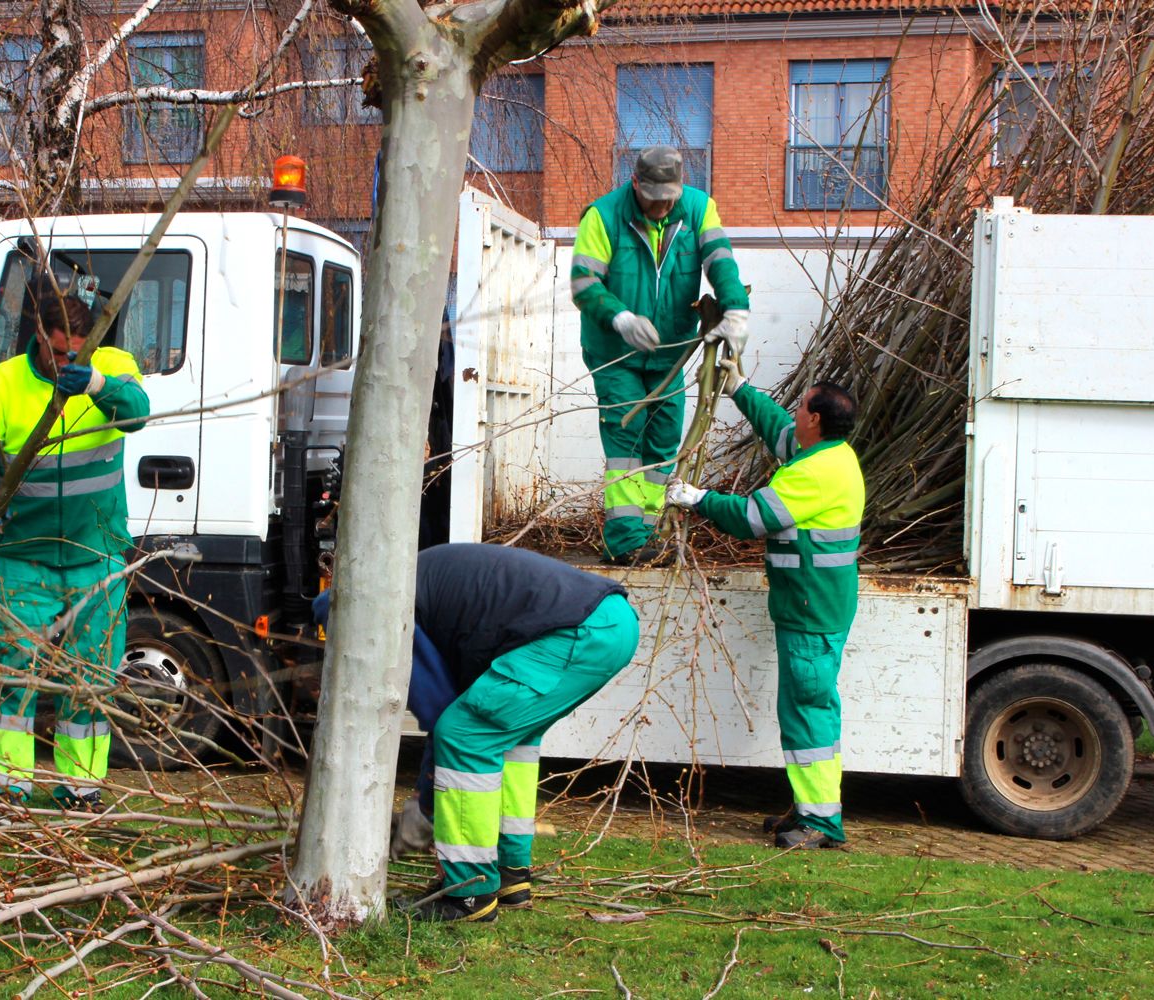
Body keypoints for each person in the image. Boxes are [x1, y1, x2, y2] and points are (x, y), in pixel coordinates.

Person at [332, 544, 640, 922]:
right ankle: (510, 876)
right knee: (509, 740)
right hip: (610, 622)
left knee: (465, 735)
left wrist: (422, 814)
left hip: (577, 631)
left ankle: (469, 894)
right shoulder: (417, 577)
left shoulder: (381, 607)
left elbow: (440, 710)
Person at [0, 282, 150, 811]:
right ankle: (8, 788)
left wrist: (96, 381)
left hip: (97, 555)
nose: (67, 361)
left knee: (90, 681)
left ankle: (81, 790)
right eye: (59, 351)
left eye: (76, 352)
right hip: (21, 557)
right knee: (14, 676)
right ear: (40, 335)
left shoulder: (111, 365)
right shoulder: (2, 385)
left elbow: (136, 412)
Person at [665, 365, 864, 849]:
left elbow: (753, 518)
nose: (795, 413)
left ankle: (820, 822)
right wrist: (738, 389)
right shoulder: (830, 454)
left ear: (815, 419)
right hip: (813, 607)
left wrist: (699, 499)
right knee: (805, 712)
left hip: (811, 611)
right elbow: (777, 428)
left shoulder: (818, 473)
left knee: (809, 714)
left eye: (801, 406)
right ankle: (809, 808)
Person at [571, 146, 751, 566]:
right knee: (624, 443)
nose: (663, 206)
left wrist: (736, 306)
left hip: (670, 352)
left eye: (670, 196)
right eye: (654, 197)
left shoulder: (698, 208)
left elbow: (720, 258)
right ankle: (624, 539)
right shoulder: (602, 216)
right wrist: (619, 318)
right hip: (615, 352)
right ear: (636, 184)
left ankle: (651, 532)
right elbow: (584, 284)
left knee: (665, 439)